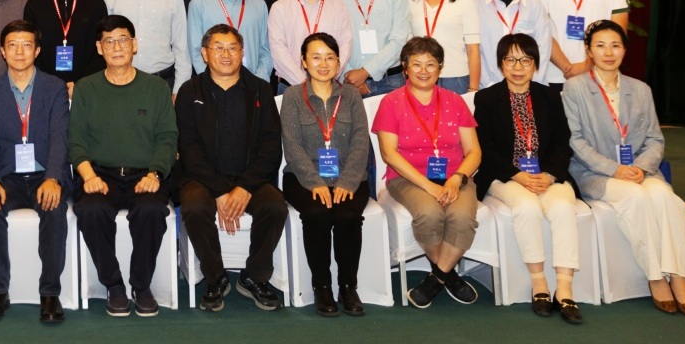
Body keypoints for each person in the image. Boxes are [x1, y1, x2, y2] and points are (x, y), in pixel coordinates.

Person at [564, 20, 685, 317]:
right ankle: (655, 277)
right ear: (588, 51)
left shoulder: (640, 89)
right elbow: (575, 141)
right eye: (600, 46)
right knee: (636, 198)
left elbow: (655, 139)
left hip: (640, 170)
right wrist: (614, 169)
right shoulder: (575, 88)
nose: (608, 52)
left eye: (615, 45)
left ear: (624, 50)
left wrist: (640, 167)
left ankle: (678, 276)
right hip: (596, 173)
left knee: (665, 198)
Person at [69, 15, 177, 318]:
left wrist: (155, 173)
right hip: (99, 174)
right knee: (91, 209)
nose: (116, 47)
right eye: (109, 41)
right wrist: (88, 176)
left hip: (145, 174)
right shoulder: (86, 88)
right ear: (99, 48)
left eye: (123, 40)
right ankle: (114, 285)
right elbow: (76, 141)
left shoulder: (156, 88)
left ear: (135, 44)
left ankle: (141, 286)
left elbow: (168, 138)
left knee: (151, 209)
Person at [472, 33, 582, 324]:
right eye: (510, 60)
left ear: (536, 64)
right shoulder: (487, 98)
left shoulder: (550, 97)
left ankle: (565, 289)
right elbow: (485, 148)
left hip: (546, 175)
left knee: (563, 207)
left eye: (525, 60)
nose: (518, 67)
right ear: (501, 64)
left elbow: (562, 143)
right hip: (506, 177)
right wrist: (517, 175)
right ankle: (539, 284)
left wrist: (550, 175)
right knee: (527, 207)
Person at [178, 24, 286, 312]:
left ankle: (255, 276)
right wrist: (220, 190)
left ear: (242, 52)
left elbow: (271, 147)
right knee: (194, 206)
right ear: (204, 53)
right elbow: (188, 148)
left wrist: (245, 187)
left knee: (275, 206)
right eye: (218, 48)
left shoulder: (260, 89)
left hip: (250, 178)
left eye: (232, 48)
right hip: (202, 178)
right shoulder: (189, 91)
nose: (226, 54)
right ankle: (215, 277)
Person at [372, 36, 482, 308]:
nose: (423, 70)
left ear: (440, 67)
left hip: (455, 176)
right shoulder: (391, 102)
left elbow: (474, 152)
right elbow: (389, 154)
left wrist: (457, 179)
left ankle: (437, 277)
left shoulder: (455, 101)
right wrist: (429, 186)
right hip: (407, 178)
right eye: (416, 64)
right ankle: (449, 276)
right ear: (405, 67)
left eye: (430, 64)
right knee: (429, 214)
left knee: (462, 217)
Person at [0, 21, 72, 323]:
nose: (19, 52)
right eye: (13, 45)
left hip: (45, 173)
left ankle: (50, 293)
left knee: (53, 208)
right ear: (2, 51)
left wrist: (53, 178)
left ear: (37, 50)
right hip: (8, 176)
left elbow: (60, 138)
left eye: (27, 45)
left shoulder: (54, 87)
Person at [280, 32, 370, 317]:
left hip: (349, 177)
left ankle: (348, 286)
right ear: (304, 62)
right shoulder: (293, 96)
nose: (323, 64)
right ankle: (321, 286)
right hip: (303, 177)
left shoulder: (351, 95)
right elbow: (292, 146)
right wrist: (315, 183)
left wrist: (347, 181)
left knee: (347, 215)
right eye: (316, 57)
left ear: (338, 62)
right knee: (317, 213)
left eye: (330, 57)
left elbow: (361, 141)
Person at [22, 0, 108, 95]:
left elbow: (102, 48)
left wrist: (81, 84)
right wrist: (51, 84)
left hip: (88, 87)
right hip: (45, 88)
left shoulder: (95, 3)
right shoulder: (35, 4)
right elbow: (30, 48)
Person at [269, 0, 353, 94]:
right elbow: (278, 50)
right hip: (291, 87)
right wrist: (306, 84)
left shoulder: (339, 7)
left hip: (330, 86)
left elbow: (345, 45)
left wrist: (327, 78)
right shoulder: (279, 8)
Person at [408, 0, 481, 94]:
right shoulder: (409, 1)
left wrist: (473, 89)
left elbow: (473, 49)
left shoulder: (465, 1)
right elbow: (406, 46)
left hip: (455, 78)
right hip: (419, 76)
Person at [476, 0, 551, 88]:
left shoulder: (533, 4)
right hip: (488, 87)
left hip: (532, 87)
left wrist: (531, 84)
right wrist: (490, 85)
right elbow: (474, 52)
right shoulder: (474, 5)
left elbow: (543, 48)